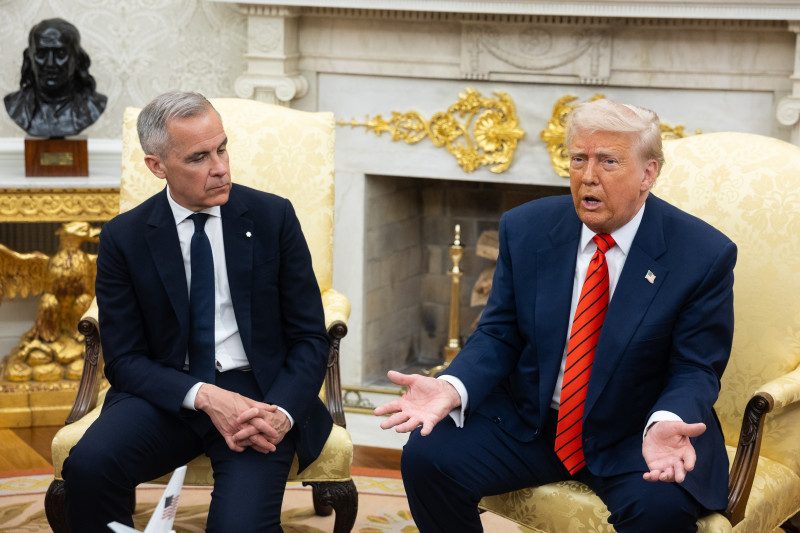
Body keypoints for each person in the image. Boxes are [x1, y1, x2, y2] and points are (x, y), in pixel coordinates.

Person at [375, 99, 736, 532]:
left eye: (608, 161)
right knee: (426, 456)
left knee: (661, 510)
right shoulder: (526, 228)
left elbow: (694, 366)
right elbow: (499, 332)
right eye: (578, 158)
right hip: (535, 419)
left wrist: (669, 421)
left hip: (636, 434)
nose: (588, 176)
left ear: (648, 174)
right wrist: (453, 386)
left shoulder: (702, 254)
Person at [62, 91, 331, 532]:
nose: (221, 167)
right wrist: (204, 395)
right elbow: (125, 360)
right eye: (199, 157)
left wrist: (280, 414)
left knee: (239, 527)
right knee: (89, 468)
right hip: (168, 392)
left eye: (222, 148)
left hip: (256, 396)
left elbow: (309, 337)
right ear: (157, 166)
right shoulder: (123, 238)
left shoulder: (272, 218)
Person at [4, 18, 107, 138]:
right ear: (30, 58)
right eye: (41, 54)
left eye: (61, 54)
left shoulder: (93, 105)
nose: (50, 64)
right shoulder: (16, 105)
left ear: (77, 58)